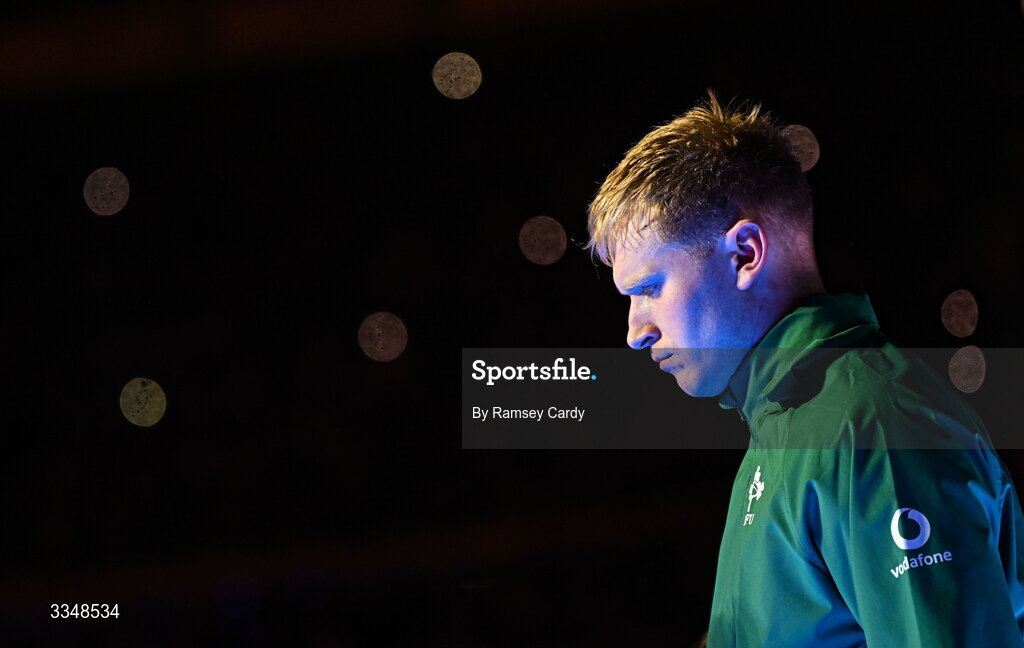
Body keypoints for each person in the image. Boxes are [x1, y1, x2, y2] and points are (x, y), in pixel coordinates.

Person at [585, 90, 1024, 647]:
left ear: (745, 253)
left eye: (649, 289)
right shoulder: (791, 427)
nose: (634, 332)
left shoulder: (871, 430)